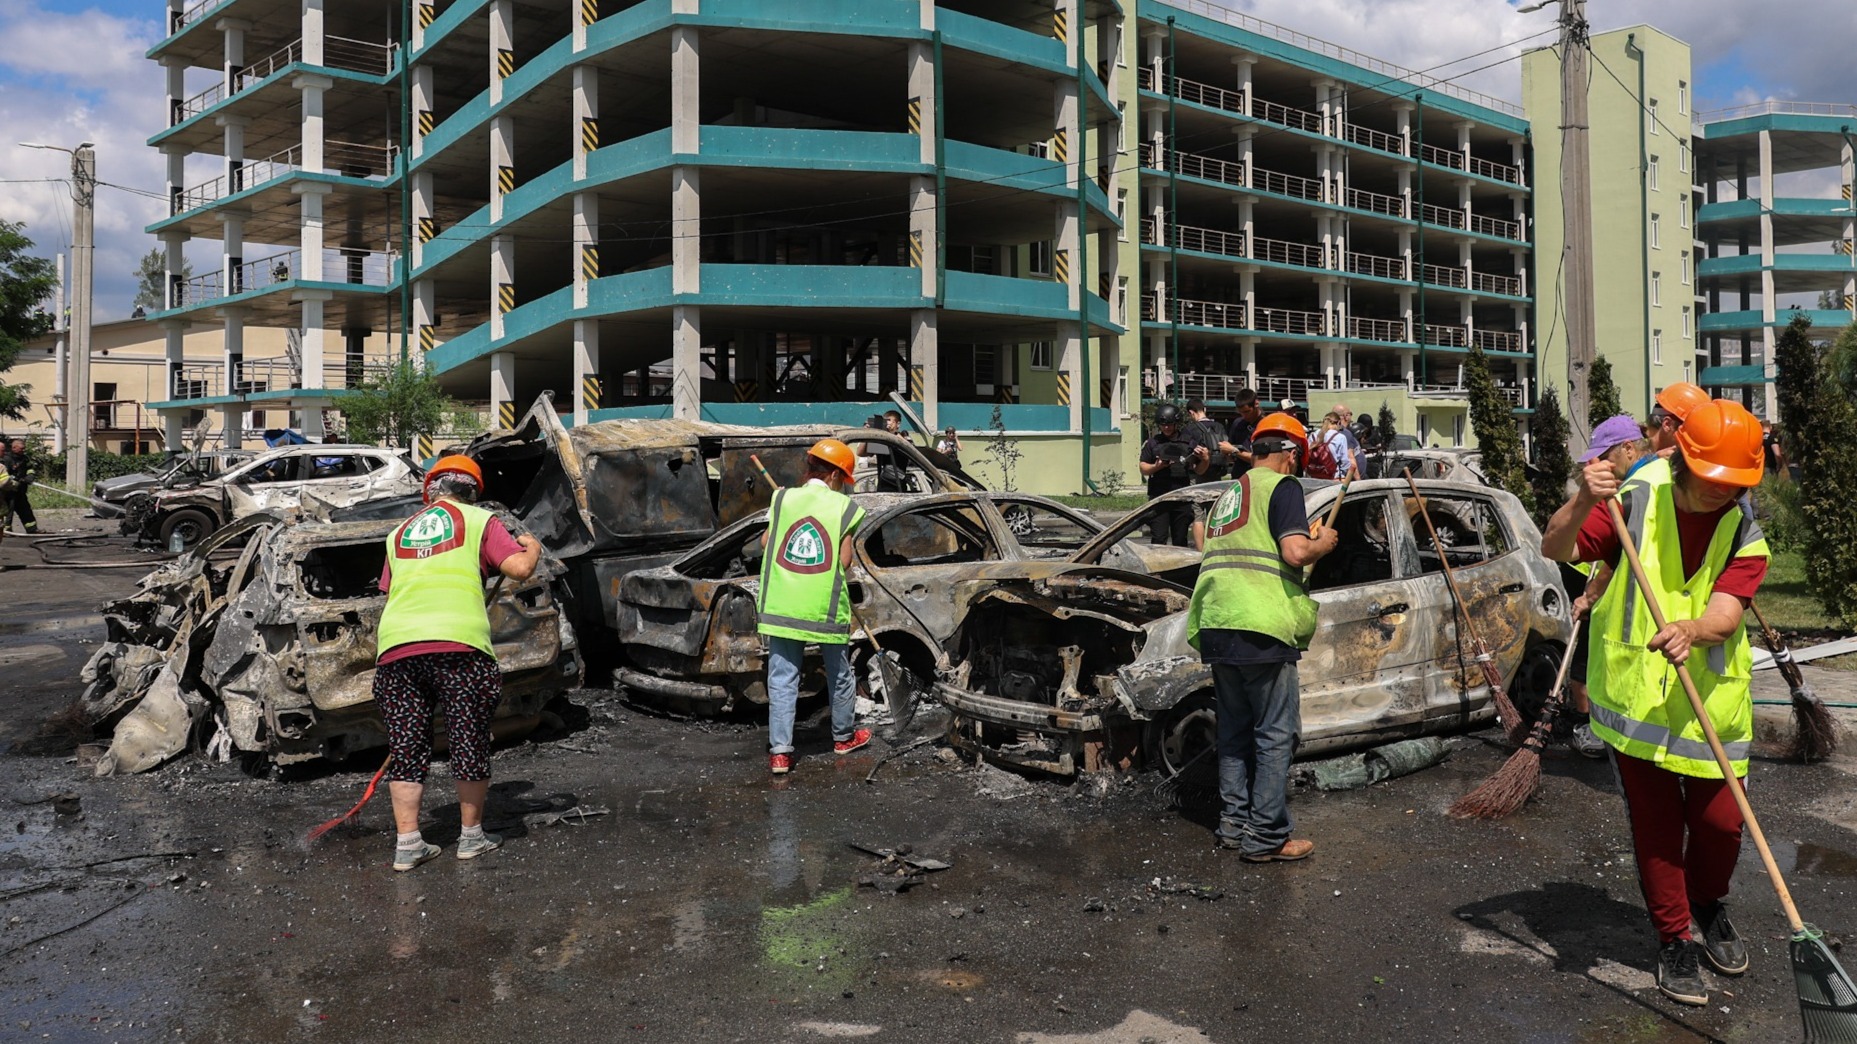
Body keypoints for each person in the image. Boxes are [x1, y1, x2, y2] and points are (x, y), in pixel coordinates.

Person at [1541, 399, 1770, 1007]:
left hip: (1711, 702)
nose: (1724, 494)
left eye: (1736, 485)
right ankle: (1674, 941)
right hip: (1638, 699)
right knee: (1658, 831)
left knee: (1721, 826)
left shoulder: (1742, 523)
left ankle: (1708, 903)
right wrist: (1584, 499)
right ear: (1685, 461)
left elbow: (1728, 606)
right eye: (1715, 481)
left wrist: (1696, 629)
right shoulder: (1635, 495)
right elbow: (1555, 546)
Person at [374, 455, 543, 872]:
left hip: (397, 649)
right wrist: (533, 547)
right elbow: (519, 569)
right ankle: (471, 838)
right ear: (473, 492)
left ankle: (408, 844)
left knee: (407, 747)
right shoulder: (479, 521)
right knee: (468, 738)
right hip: (459, 646)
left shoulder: (398, 533)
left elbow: (390, 590)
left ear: (429, 489)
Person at [1186, 411, 1338, 861]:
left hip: (1217, 623)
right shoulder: (1283, 487)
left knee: (1234, 732)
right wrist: (1321, 544)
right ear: (1290, 454)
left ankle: (1234, 826)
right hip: (1261, 627)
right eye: (1297, 458)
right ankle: (1267, 837)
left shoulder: (1230, 494)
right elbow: (1294, 551)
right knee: (1275, 734)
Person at [757, 439, 871, 775]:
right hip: (824, 606)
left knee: (782, 679)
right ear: (836, 475)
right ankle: (843, 737)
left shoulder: (782, 498)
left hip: (781, 604)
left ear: (809, 469)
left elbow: (765, 544)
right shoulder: (843, 508)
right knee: (838, 674)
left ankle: (780, 753)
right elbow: (845, 559)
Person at [1559, 415, 1655, 759]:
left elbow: (1614, 564)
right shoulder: (1645, 485)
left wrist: (1589, 596)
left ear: (1629, 449)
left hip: (1627, 620)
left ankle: (1594, 731)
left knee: (1586, 668)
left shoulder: (1632, 495)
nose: (1598, 464)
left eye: (1604, 456)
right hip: (1623, 610)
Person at [1139, 403, 1210, 545]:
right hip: (1159, 496)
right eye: (1163, 424)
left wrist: (1205, 459)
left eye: (1169, 424)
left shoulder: (1188, 442)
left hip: (1181, 497)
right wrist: (1156, 467)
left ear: (1176, 423)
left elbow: (1199, 470)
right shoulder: (1153, 443)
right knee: (1159, 537)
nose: (1166, 428)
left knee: (1180, 538)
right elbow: (1143, 468)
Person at [1645, 381, 1710, 458]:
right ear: (1667, 425)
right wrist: (1653, 460)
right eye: (1692, 432)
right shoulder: (1630, 451)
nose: (1696, 441)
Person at [1184, 399, 1236, 483]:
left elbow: (1188, 453)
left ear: (1191, 413)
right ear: (1204, 409)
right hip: (1219, 471)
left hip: (1199, 475)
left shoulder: (1190, 429)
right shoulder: (1219, 426)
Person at [2, 439, 38, 535]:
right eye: (21, 448)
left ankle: (32, 529)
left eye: (24, 448)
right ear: (14, 448)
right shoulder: (7, 459)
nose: (23, 450)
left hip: (20, 490)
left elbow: (30, 468)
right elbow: (5, 476)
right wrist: (17, 480)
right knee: (8, 512)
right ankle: (6, 531)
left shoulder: (24, 458)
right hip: (9, 492)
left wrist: (30, 476)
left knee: (25, 510)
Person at [1225, 389, 1262, 478]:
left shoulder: (1266, 424)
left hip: (1259, 476)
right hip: (1240, 476)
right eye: (1240, 412)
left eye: (1247, 411)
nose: (1244, 416)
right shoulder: (1237, 424)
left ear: (1256, 404)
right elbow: (1230, 456)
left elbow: (1262, 459)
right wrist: (1227, 453)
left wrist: (1234, 451)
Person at [1308, 412, 1355, 479]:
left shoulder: (1313, 435)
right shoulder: (1340, 437)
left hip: (1313, 477)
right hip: (1333, 477)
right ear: (1338, 423)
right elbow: (1345, 462)